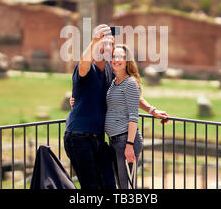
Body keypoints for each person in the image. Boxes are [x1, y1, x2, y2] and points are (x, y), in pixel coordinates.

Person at [64, 24, 168, 189]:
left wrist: (151, 110)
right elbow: (84, 62)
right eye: (103, 43)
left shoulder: (109, 70)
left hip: (99, 139)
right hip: (78, 137)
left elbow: (131, 95)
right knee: (91, 186)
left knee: (110, 184)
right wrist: (94, 42)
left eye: (110, 43)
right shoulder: (86, 66)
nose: (107, 46)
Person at [105, 44, 143, 189]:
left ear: (127, 61)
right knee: (120, 185)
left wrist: (129, 145)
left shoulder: (130, 84)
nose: (116, 60)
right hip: (114, 141)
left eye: (120, 57)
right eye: (114, 56)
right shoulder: (113, 83)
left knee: (127, 186)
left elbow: (134, 116)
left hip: (125, 142)